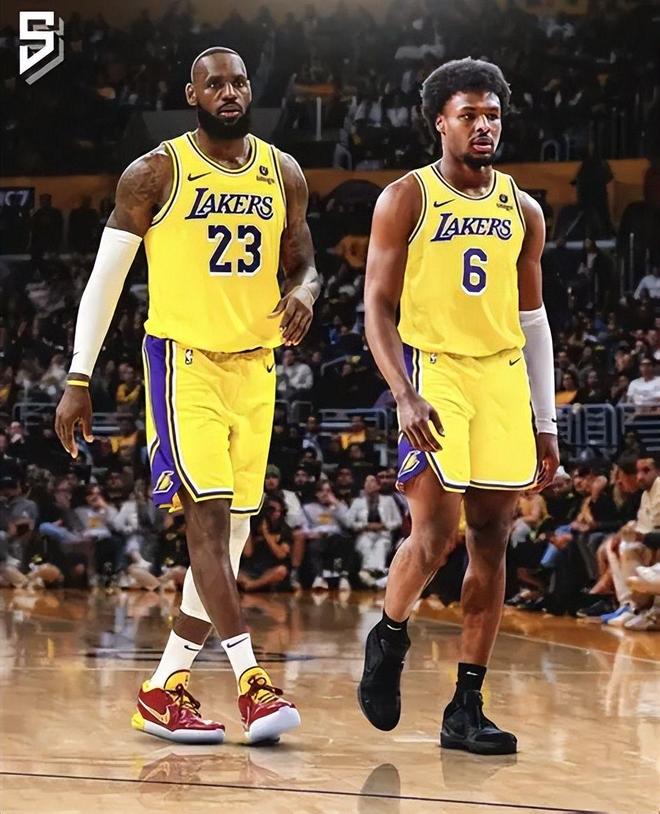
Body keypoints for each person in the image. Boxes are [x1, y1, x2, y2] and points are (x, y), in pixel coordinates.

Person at [55, 47, 319, 745]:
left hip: (255, 368)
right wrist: (79, 376)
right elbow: (106, 280)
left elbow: (306, 263)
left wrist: (305, 293)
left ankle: (163, 687)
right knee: (207, 522)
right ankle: (253, 684)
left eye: (239, 82)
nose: (229, 92)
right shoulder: (155, 172)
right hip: (184, 363)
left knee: (230, 539)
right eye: (215, 83)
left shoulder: (283, 172)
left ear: (250, 91)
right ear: (192, 94)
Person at [358, 58, 559, 755]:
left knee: (493, 537)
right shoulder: (406, 198)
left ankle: (466, 706)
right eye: (469, 114)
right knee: (436, 535)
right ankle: (389, 635)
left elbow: (533, 321)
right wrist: (403, 392)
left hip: (501, 376)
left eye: (492, 115)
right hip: (435, 370)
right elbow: (376, 308)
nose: (483, 126)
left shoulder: (523, 210)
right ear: (440, 122)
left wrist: (545, 421)